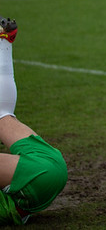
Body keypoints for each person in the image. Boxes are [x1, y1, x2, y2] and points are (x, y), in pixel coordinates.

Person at [0, 16, 68, 225]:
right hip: (42, 170)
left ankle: (4, 43)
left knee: (2, 115)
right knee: (2, 116)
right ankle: (4, 42)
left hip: (44, 172)